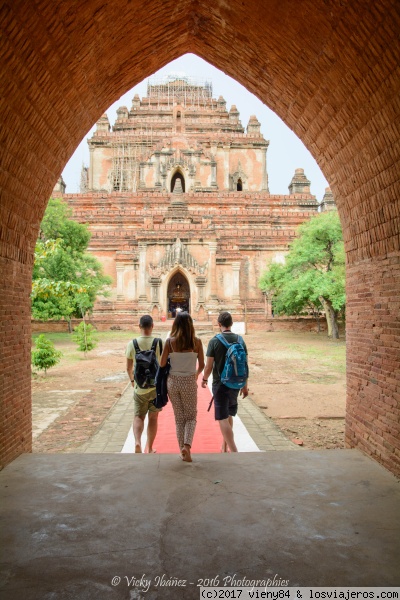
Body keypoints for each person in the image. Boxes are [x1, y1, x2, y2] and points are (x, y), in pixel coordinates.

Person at [159, 312, 204, 462]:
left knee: (179, 418)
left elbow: (162, 363)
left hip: (173, 382)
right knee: (191, 417)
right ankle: (187, 446)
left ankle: (182, 451)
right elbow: (202, 365)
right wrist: (196, 373)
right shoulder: (197, 342)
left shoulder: (169, 342)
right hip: (189, 382)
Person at [201, 311, 249, 453]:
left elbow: (209, 366)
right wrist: (245, 386)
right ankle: (224, 447)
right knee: (229, 415)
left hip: (220, 384)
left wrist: (204, 379)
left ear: (219, 324)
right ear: (231, 324)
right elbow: (244, 365)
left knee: (222, 418)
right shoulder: (240, 340)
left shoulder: (214, 341)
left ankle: (233, 450)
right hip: (236, 383)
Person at [126, 315, 162, 453]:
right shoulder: (159, 342)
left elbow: (128, 368)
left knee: (138, 416)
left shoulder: (132, 343)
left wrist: (132, 381)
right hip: (155, 387)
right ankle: (150, 447)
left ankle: (137, 442)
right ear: (152, 326)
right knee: (153, 417)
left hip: (139, 387)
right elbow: (164, 365)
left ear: (139, 326)